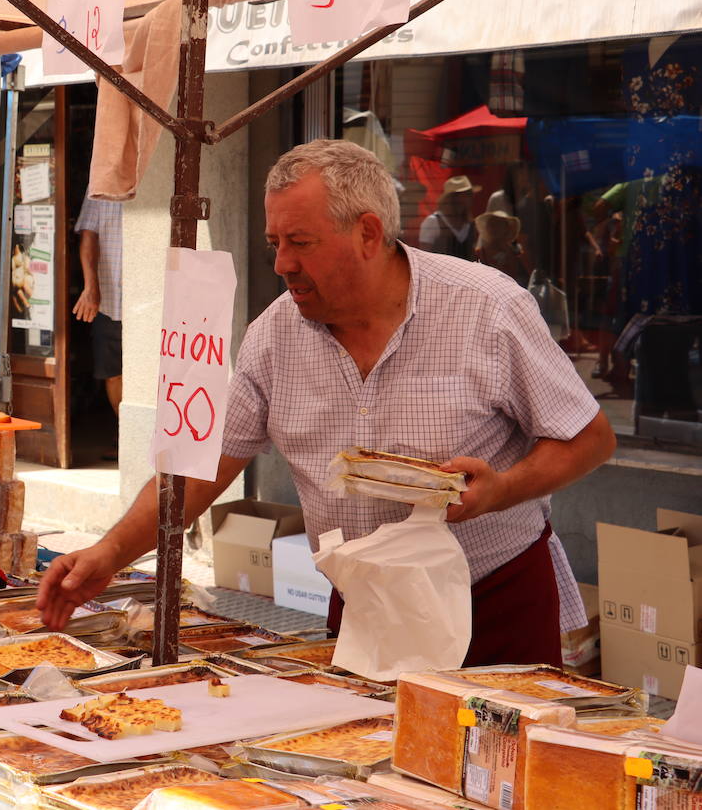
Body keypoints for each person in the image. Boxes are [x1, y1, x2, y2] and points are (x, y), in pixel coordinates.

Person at [39, 139, 616, 667]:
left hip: (493, 598)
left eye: (301, 242)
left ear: (368, 233)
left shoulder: (486, 308)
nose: (281, 263)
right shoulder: (273, 336)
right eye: (274, 243)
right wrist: (109, 552)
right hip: (364, 606)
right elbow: (202, 468)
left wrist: (503, 490)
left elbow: (589, 438)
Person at [73, 196, 124, 457]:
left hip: (148, 301)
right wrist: (91, 287)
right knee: (112, 372)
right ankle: (125, 434)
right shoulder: (100, 187)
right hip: (110, 301)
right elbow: (88, 237)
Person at [473, 191, 532, 287]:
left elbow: (529, 280)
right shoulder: (478, 255)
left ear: (506, 228)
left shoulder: (518, 255)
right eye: (490, 225)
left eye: (498, 224)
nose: (493, 228)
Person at [418, 175, 478, 259]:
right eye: (464, 195)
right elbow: (424, 256)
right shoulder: (433, 222)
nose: (468, 199)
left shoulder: (470, 224)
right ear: (452, 198)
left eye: (469, 195)